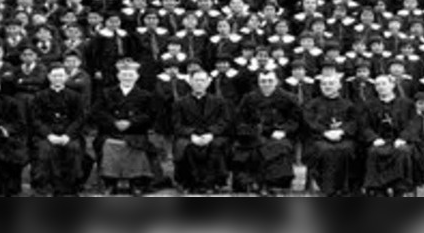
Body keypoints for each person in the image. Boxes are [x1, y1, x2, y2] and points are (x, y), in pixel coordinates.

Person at [92, 59, 157, 194]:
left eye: (131, 75)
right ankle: (110, 182)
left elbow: (150, 115)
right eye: (124, 74)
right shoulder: (107, 93)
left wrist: (131, 122)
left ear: (137, 77)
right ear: (118, 76)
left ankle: (136, 182)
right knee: (108, 144)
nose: (127, 78)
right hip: (111, 131)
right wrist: (114, 122)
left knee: (136, 145)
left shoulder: (146, 95)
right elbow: (98, 112)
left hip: (135, 131)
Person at [231, 69, 301, 195]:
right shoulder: (249, 98)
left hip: (279, 134)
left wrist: (284, 131)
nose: (266, 84)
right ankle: (252, 183)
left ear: (277, 82)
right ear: (258, 83)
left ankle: (273, 184)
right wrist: (251, 131)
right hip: (254, 134)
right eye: (263, 81)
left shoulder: (288, 98)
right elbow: (240, 119)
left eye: (270, 81)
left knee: (277, 147)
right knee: (248, 148)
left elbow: (295, 120)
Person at [28, 64, 88, 196]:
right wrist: (49, 135)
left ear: (66, 77)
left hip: (69, 134)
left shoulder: (75, 96)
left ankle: (69, 188)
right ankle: (46, 186)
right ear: (49, 77)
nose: (57, 79)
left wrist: (67, 135)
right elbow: (35, 120)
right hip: (47, 134)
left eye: (60, 75)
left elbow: (79, 119)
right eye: (54, 76)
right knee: (45, 150)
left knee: (73, 148)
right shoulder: (39, 96)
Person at [170, 66, 232, 194]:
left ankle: (213, 183)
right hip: (189, 136)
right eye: (196, 80)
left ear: (208, 82)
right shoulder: (180, 103)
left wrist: (211, 133)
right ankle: (190, 184)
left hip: (212, 135)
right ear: (190, 82)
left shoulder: (219, 101)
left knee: (216, 146)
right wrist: (191, 135)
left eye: (203, 80)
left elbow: (224, 122)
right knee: (187, 148)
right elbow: (177, 124)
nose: (199, 83)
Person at [360, 75, 417, 196]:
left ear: (392, 85)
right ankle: (378, 190)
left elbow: (413, 124)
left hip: (399, 140)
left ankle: (400, 189)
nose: (380, 87)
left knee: (402, 152)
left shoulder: (406, 104)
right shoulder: (369, 105)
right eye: (377, 85)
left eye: (384, 84)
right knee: (374, 152)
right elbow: (364, 126)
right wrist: (374, 138)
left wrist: (403, 138)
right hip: (379, 140)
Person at [302, 72, 357, 196]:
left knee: (348, 149)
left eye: (331, 84)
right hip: (318, 138)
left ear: (339, 86)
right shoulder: (312, 104)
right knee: (324, 150)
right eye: (324, 84)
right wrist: (325, 132)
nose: (327, 86)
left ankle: (345, 188)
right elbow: (309, 122)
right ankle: (328, 189)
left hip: (343, 138)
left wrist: (342, 131)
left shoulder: (348, 104)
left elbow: (353, 122)